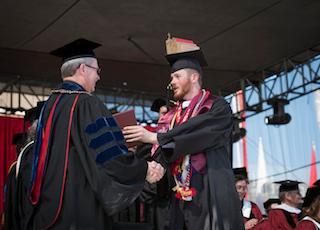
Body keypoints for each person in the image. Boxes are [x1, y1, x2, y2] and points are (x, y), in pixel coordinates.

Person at [6, 38, 165, 230]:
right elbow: (109, 157)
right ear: (83, 68)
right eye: (97, 70)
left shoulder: (50, 105)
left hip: (49, 204)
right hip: (77, 205)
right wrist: (144, 169)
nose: (98, 76)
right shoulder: (86, 103)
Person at [123, 36, 244, 230]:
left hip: (208, 191)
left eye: (177, 76)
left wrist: (155, 137)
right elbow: (162, 151)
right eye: (172, 77)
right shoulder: (170, 117)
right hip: (177, 198)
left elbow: (198, 132)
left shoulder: (215, 107)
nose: (172, 82)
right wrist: (155, 167)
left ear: (194, 77)